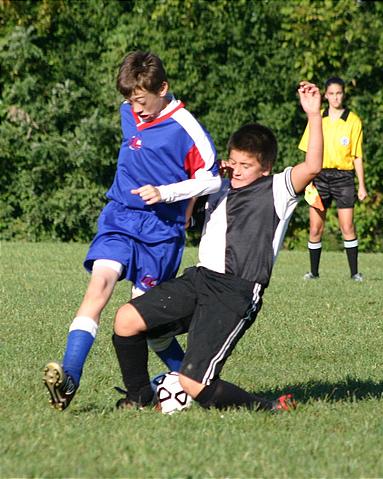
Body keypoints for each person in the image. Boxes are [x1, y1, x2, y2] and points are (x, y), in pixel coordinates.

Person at [111, 80, 323, 412]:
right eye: (234, 162)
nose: (237, 170)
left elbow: (311, 167)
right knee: (126, 319)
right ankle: (137, 396)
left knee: (194, 383)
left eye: (246, 166)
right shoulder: (219, 186)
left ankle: (267, 407)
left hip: (234, 291)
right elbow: (187, 202)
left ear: (265, 168)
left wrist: (314, 115)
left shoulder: (278, 189)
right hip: (200, 280)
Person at [43, 51, 221, 411]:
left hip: (161, 232)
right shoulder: (130, 113)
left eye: (141, 100)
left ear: (164, 88)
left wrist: (167, 194)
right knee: (100, 287)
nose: (135, 109)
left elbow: (212, 181)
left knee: (143, 323)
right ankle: (70, 376)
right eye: (129, 101)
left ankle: (199, 388)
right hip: (121, 217)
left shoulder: (186, 127)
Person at [299, 76, 367, 281]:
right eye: (332, 93)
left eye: (339, 93)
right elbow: (308, 150)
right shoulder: (318, 117)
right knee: (315, 227)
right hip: (319, 176)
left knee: (347, 226)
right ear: (326, 95)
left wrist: (362, 185)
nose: (336, 97)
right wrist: (307, 178)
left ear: (343, 94)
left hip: (344, 178)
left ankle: (355, 273)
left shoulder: (353, 120)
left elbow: (357, 155)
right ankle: (314, 272)